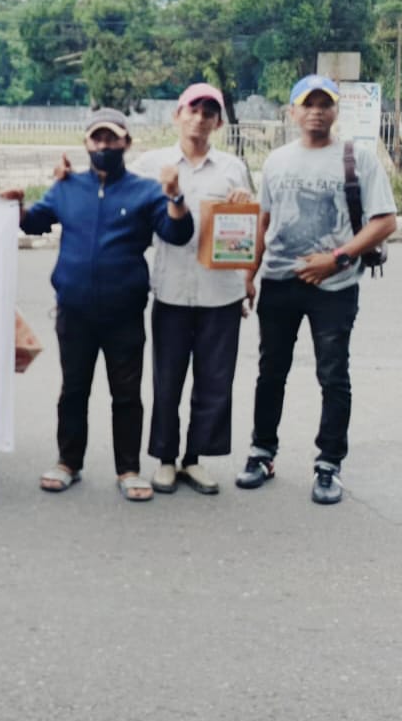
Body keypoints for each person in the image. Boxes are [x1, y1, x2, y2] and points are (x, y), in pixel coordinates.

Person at [0, 108, 193, 502]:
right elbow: (33, 222)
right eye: (97, 138)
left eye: (112, 138)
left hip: (124, 313)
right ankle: (68, 462)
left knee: (126, 394)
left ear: (126, 143)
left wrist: (175, 195)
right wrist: (15, 205)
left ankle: (129, 469)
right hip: (74, 311)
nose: (104, 145)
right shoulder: (67, 187)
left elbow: (177, 232)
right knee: (73, 389)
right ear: (86, 143)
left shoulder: (145, 191)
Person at [236, 75, 397, 506]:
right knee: (271, 371)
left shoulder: (358, 159)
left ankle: (328, 464)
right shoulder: (277, 161)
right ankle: (262, 452)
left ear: (336, 111)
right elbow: (264, 223)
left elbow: (385, 221)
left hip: (335, 285)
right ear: (292, 111)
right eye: (308, 104)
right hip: (279, 280)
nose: (316, 112)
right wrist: (250, 275)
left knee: (333, 375)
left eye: (325, 104)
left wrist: (337, 259)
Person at [129, 85, 255, 496]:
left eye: (209, 112)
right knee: (168, 380)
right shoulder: (152, 165)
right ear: (177, 115)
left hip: (221, 292)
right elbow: (123, 203)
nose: (200, 118)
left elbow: (247, 227)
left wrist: (241, 203)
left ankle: (195, 458)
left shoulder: (232, 168)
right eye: (193, 110)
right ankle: (165, 458)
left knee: (214, 380)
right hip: (171, 290)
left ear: (218, 122)